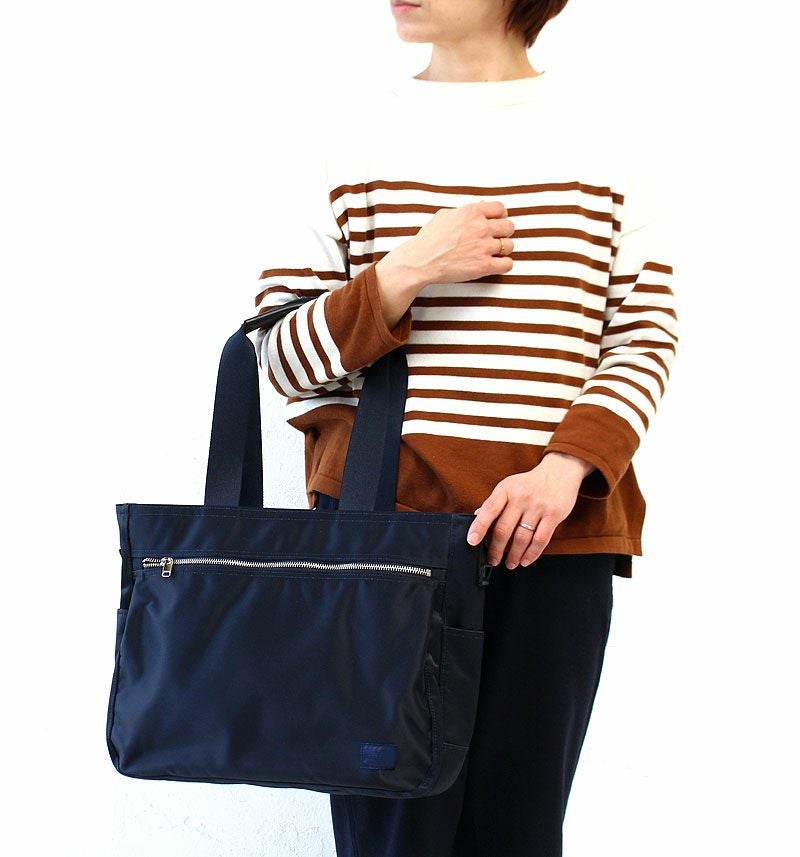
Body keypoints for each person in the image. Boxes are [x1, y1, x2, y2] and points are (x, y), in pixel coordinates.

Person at [251, 1, 678, 854]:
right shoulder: (349, 143)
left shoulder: (610, 145)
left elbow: (644, 335)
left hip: (553, 537)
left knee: (520, 832)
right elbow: (282, 358)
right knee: (387, 837)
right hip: (379, 541)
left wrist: (564, 469)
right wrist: (409, 268)